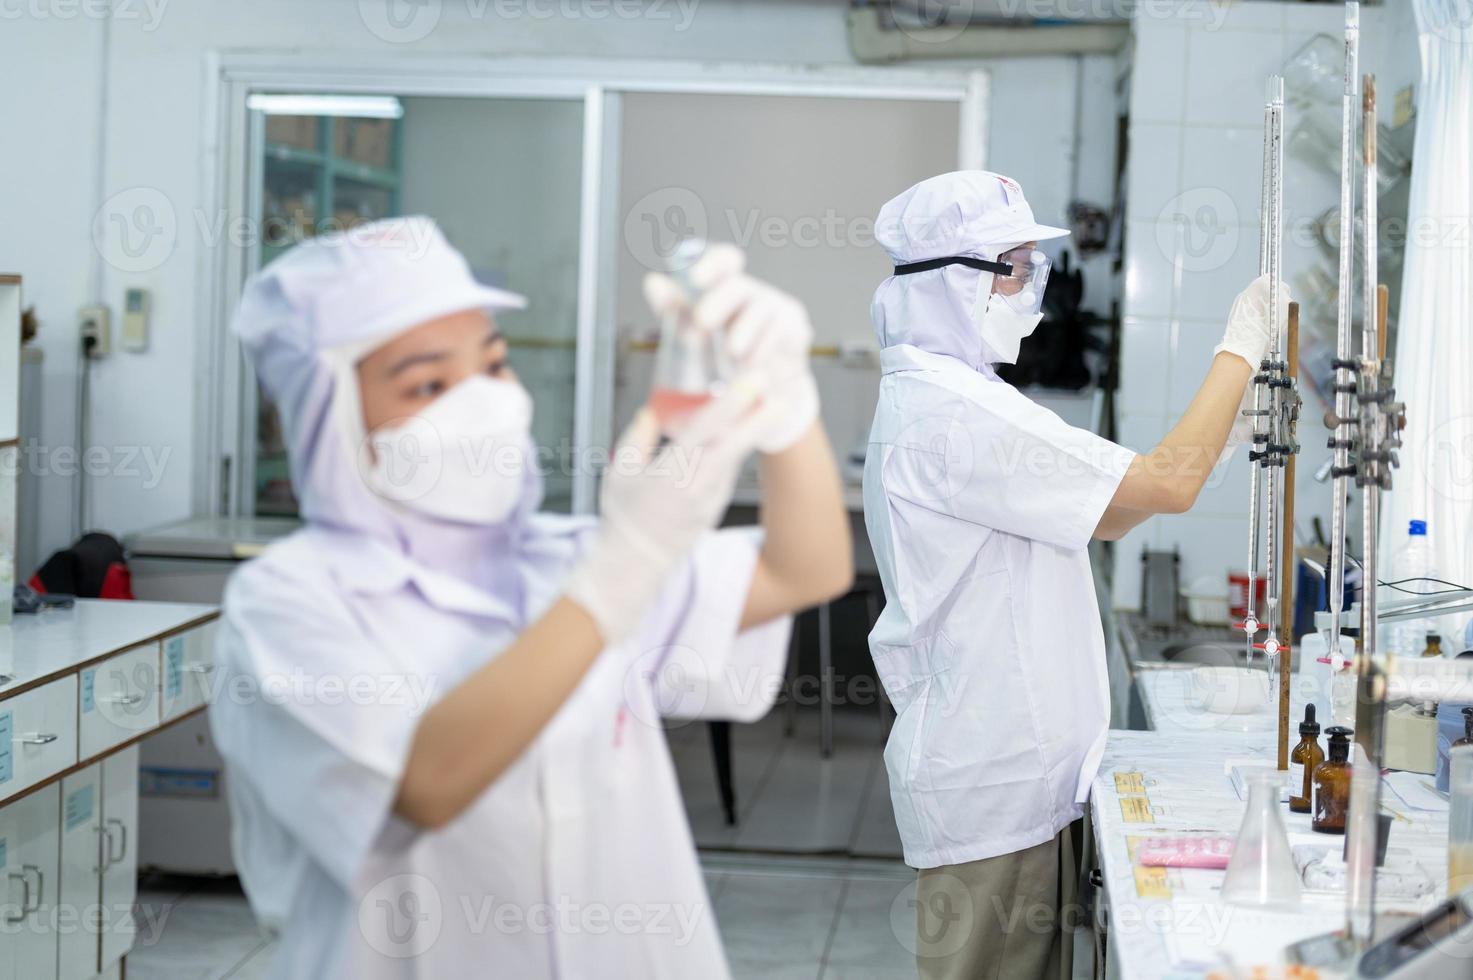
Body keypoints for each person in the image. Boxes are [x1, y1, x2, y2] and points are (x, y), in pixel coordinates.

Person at [208, 216, 852, 978]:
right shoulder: (286, 602)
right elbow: (425, 786)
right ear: (327, 417)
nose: (483, 403)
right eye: (427, 384)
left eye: (493, 365)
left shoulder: (565, 558)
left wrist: (783, 404)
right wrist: (626, 564)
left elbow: (804, 572)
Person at [862, 171, 1284, 980]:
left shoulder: (960, 397)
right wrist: (1239, 349)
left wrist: (1226, 432)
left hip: (1015, 777)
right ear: (960, 281)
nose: (1032, 290)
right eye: (1017, 266)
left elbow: (1116, 510)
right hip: (994, 785)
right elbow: (1166, 485)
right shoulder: (955, 414)